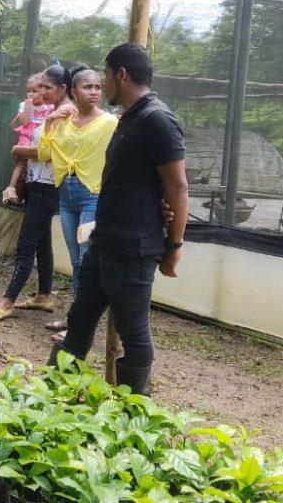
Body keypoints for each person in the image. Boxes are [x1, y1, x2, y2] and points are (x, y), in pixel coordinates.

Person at [48, 44, 189, 397]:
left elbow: (178, 185)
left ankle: (134, 416)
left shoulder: (158, 119)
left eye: (106, 76)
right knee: (79, 321)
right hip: (104, 241)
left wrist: (174, 245)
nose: (103, 84)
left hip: (133, 250)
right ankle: (52, 398)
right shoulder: (130, 117)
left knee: (134, 336)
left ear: (121, 75)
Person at [0, 66, 75, 321]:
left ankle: (7, 301)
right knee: (42, 243)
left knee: (25, 246)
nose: (42, 92)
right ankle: (44, 295)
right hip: (37, 183)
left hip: (48, 186)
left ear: (63, 89)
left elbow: (49, 153)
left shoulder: (65, 113)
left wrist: (19, 150)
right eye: (40, 87)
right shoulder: (52, 111)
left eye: (48, 87)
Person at [37, 66, 118, 340]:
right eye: (87, 87)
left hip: (92, 196)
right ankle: (76, 317)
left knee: (86, 259)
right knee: (75, 260)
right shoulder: (64, 123)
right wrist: (50, 122)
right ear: (73, 91)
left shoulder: (108, 122)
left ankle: (81, 325)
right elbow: (44, 152)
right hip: (67, 194)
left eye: (98, 87)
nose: (94, 92)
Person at [2, 74, 49, 205]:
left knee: (34, 165)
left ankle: (22, 194)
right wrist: (28, 107)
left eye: (35, 91)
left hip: (42, 138)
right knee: (22, 162)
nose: (31, 94)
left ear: (44, 91)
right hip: (28, 135)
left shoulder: (50, 106)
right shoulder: (24, 105)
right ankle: (11, 188)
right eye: (28, 91)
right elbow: (23, 122)